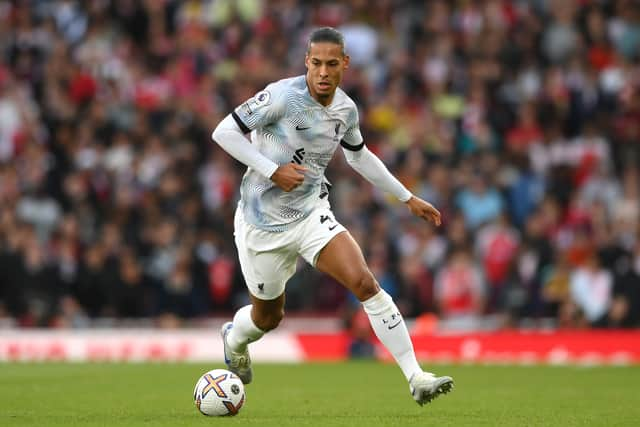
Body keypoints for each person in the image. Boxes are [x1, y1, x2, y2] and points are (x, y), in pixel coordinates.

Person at [211, 27, 453, 406]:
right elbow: (224, 132)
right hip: (262, 225)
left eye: (332, 64)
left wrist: (406, 197)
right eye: (317, 63)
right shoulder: (280, 96)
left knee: (365, 282)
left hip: (310, 214)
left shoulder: (345, 109)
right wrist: (272, 170)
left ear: (345, 64)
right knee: (268, 318)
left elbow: (359, 156)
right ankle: (235, 339)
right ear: (307, 62)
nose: (323, 72)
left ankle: (416, 376)